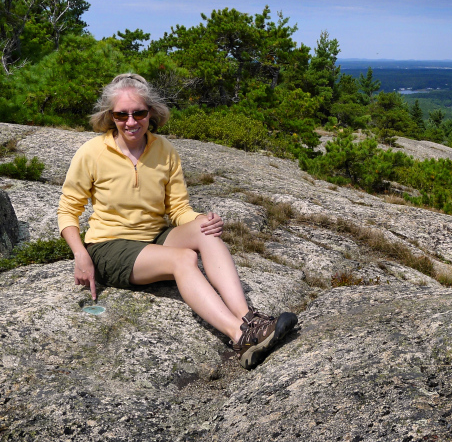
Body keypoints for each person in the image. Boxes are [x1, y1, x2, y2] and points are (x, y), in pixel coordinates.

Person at [57, 73, 296, 370]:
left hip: (154, 236)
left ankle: (250, 319)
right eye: (121, 114)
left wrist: (201, 220)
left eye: (139, 113)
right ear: (110, 116)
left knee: (206, 234)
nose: (131, 122)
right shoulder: (91, 153)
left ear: (151, 112)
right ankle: (240, 338)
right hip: (108, 246)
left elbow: (178, 207)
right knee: (183, 259)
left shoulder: (164, 150)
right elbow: (68, 210)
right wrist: (80, 254)